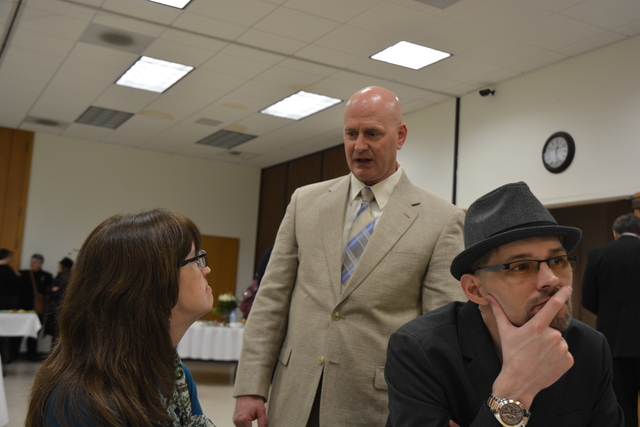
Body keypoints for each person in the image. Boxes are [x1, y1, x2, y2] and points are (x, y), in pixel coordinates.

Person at [233, 86, 466, 427]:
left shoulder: (442, 220)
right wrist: (250, 386)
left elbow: (440, 330)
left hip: (376, 403)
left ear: (400, 136)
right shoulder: (304, 203)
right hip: (294, 393)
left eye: (372, 133)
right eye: (351, 133)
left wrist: (442, 407)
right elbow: (272, 299)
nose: (359, 146)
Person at [385, 181, 623, 427]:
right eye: (521, 267)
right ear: (475, 289)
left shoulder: (590, 347)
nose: (551, 279)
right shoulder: (421, 351)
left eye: (558, 261)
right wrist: (513, 393)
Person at [26, 209, 216, 427]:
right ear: (151, 284)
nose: (206, 269)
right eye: (195, 259)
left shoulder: (175, 374)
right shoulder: (84, 402)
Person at [582, 213, 640, 427]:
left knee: (623, 405)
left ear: (615, 233)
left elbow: (588, 299)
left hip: (614, 341)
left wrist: (609, 314)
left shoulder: (597, 254)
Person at [19, 254, 53, 361]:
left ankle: (32, 354)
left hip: (38, 308)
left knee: (34, 333)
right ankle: (13, 353)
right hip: (24, 307)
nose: (32, 263)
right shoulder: (23, 274)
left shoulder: (47, 276)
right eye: (31, 261)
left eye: (35, 262)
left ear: (40, 264)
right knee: (19, 332)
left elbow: (48, 291)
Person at [43, 257, 74, 343]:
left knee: (58, 334)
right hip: (54, 309)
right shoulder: (58, 277)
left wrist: (55, 290)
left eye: (60, 265)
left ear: (65, 267)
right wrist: (53, 290)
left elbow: (60, 292)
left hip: (60, 309)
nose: (59, 267)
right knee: (54, 334)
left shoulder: (68, 278)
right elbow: (48, 289)